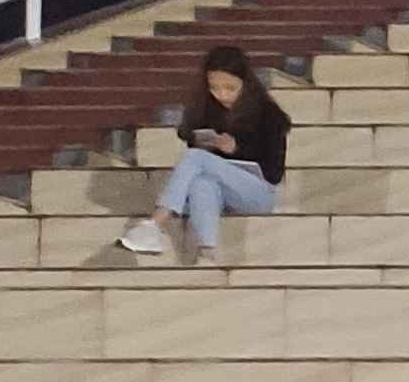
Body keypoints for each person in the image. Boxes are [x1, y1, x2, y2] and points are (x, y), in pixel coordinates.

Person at [113, 42, 289, 262]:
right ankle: (206, 253)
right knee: (201, 183)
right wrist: (204, 142)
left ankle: (155, 223)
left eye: (230, 88)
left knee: (196, 158)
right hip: (221, 189)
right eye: (214, 88)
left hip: (259, 193)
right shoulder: (207, 109)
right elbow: (189, 140)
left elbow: (274, 173)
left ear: (245, 83)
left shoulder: (268, 114)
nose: (222, 95)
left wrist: (237, 149)